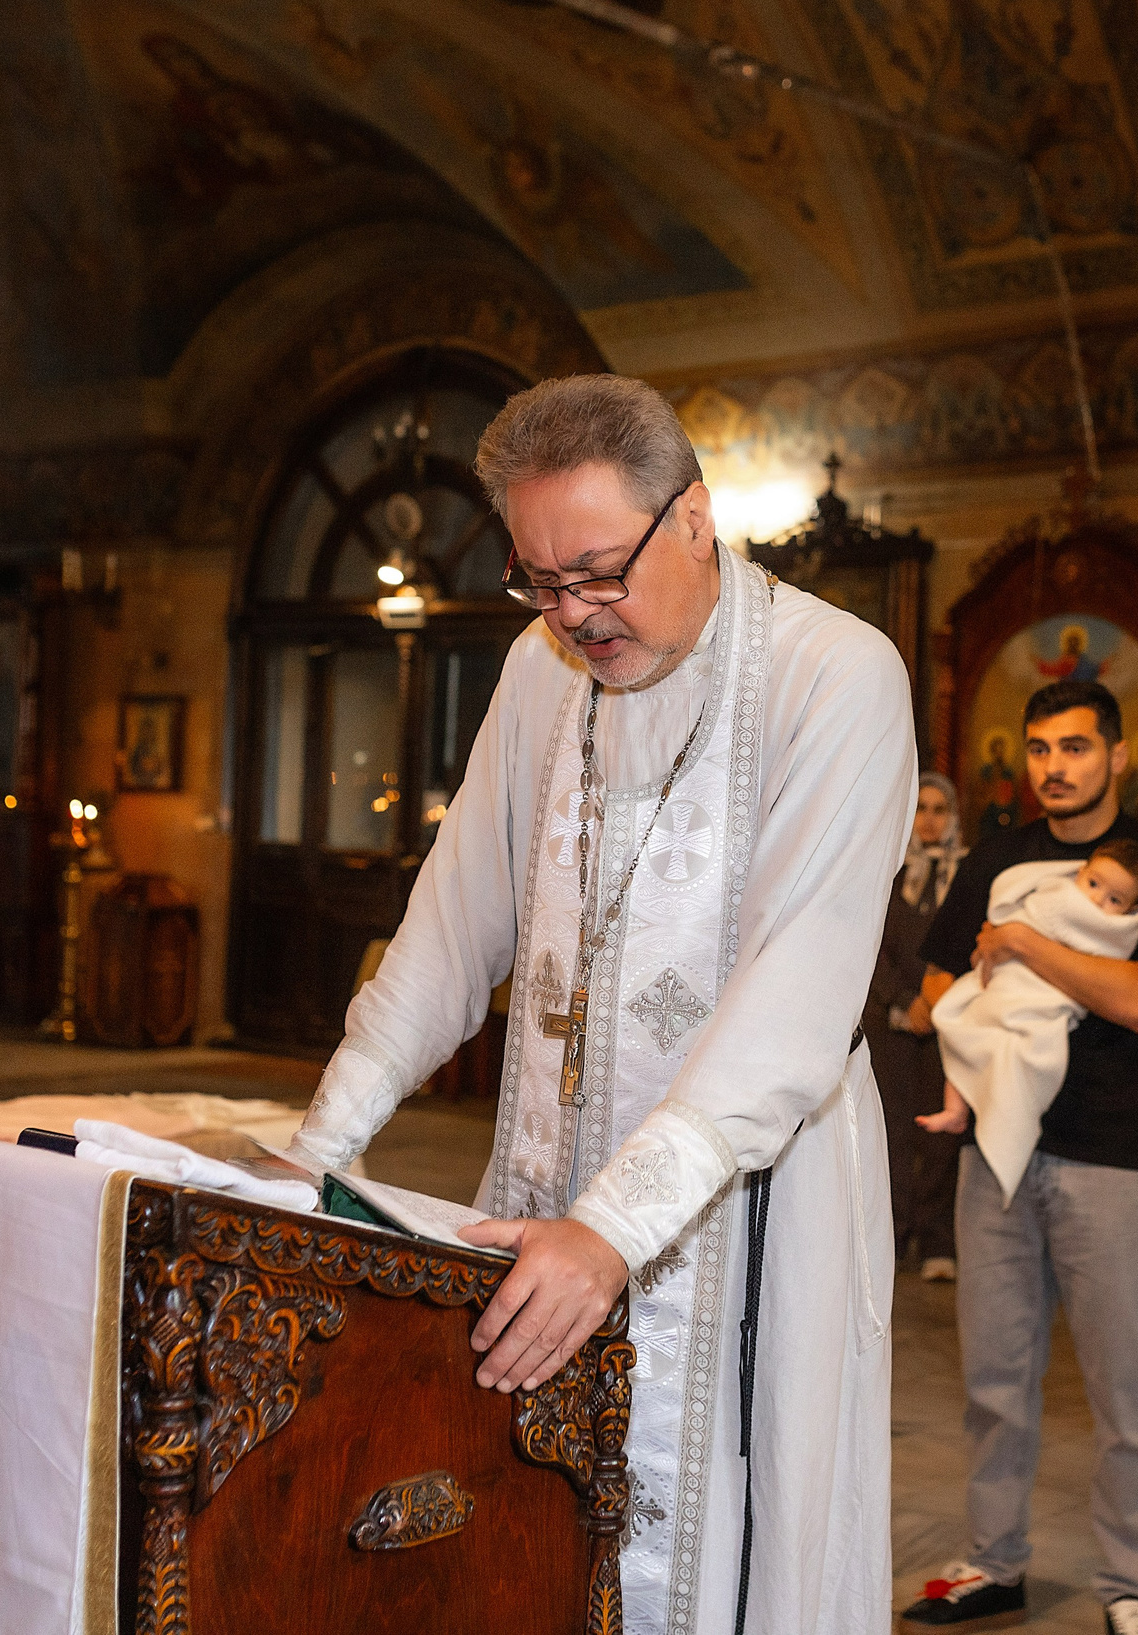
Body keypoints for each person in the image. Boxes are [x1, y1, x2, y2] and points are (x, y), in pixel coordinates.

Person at [279, 373, 915, 1634]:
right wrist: (317, 1147)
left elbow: (797, 998)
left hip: (749, 1207)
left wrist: (613, 1230)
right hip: (541, 1200)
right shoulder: (536, 671)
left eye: (598, 571)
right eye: (537, 578)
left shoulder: (833, 674)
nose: (573, 614)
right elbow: (451, 930)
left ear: (693, 517)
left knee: (724, 1544)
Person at [898, 679, 1138, 1635]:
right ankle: (996, 1560)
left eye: (1075, 747)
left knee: (1124, 1386)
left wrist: (1027, 944)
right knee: (993, 1375)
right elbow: (942, 981)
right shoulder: (997, 855)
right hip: (995, 1146)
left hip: (1108, 1155)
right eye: (1038, 748)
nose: (1055, 767)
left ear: (1118, 755)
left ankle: (1132, 1581)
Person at [916, 841, 1138, 1207]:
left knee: (1025, 1054)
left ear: (1131, 909)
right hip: (1004, 985)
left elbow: (1112, 971)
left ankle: (971, 1114)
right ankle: (956, 1110)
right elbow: (1011, 914)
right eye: (1093, 885)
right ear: (1080, 874)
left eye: (1115, 900)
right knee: (963, 1031)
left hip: (1044, 1007)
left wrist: (1019, 941)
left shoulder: (1113, 929)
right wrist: (1004, 939)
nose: (1097, 903)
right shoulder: (1052, 893)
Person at [871, 773, 967, 1282]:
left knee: (941, 1132)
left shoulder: (969, 875)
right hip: (892, 1020)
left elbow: (976, 943)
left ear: (953, 816)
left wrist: (942, 1001)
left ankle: (937, 1239)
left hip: (950, 1023)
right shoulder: (889, 869)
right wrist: (904, 1000)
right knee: (891, 1130)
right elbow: (872, 946)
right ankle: (892, 1232)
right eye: (921, 808)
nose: (929, 819)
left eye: (939, 809)